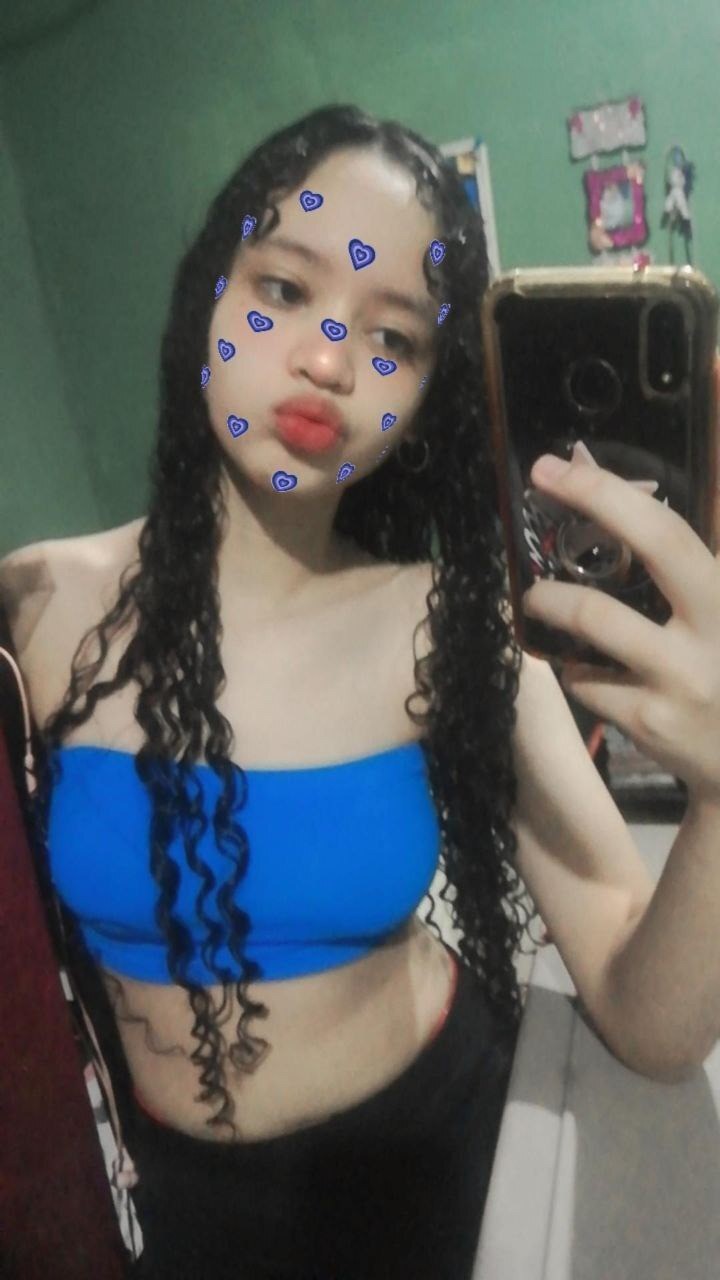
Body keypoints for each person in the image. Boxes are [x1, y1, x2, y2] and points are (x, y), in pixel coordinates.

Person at [19, 103, 541, 1279]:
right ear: (210, 292)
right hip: (161, 1202)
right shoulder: (40, 609)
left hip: (435, 1165)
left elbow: (644, 1000)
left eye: (394, 339)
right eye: (286, 289)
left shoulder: (443, 620)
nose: (330, 360)